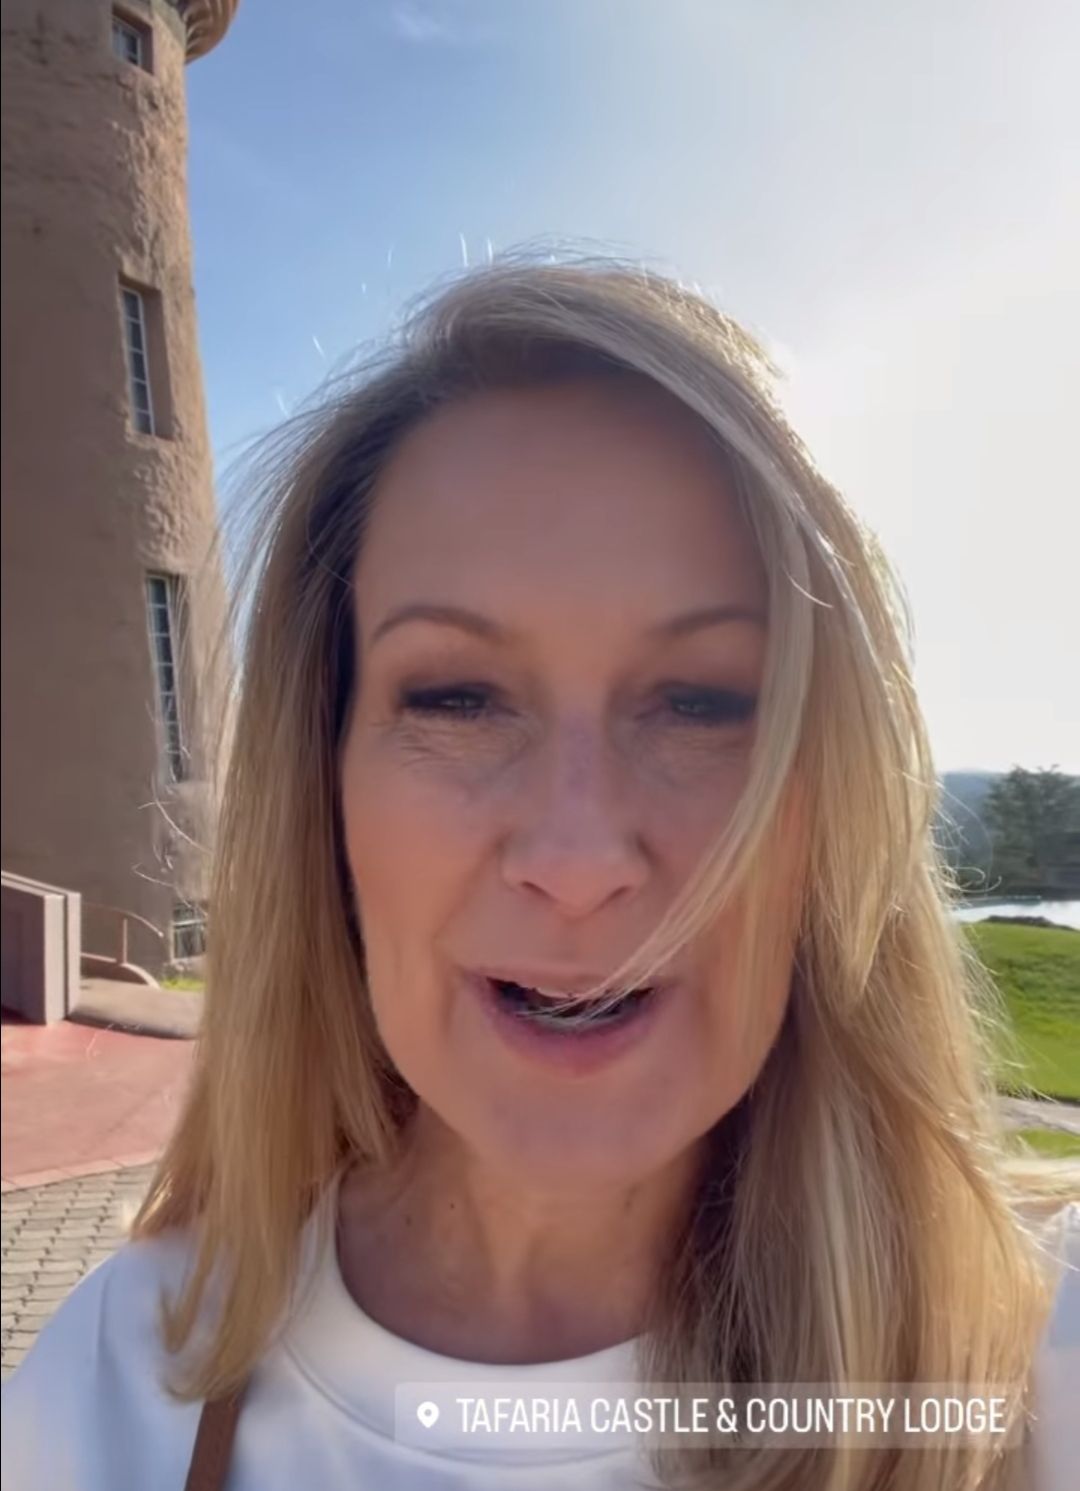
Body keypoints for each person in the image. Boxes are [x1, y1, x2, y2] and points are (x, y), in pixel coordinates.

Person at [2, 258, 1077, 1491]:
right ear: (322, 792)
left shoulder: (1037, 1360)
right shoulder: (116, 1389)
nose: (577, 860)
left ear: (830, 804)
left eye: (704, 701)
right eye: (458, 698)